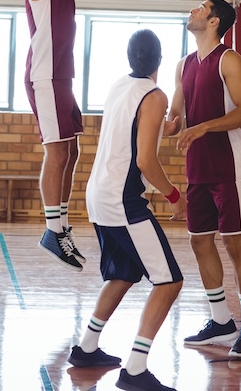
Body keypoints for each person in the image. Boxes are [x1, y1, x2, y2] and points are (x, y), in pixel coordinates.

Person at [72, 29, 185, 391]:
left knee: (123, 272)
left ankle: (87, 348)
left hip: (98, 193)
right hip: (123, 200)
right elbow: (145, 159)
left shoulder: (121, 85)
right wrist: (174, 196)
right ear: (160, 61)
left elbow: (130, 133)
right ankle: (135, 369)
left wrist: (162, 127)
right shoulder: (155, 95)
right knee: (169, 281)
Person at [164, 0, 241, 358]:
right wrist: (162, 123)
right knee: (199, 242)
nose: (193, 10)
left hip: (228, 164)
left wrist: (202, 127)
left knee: (234, 244)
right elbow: (176, 117)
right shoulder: (183, 65)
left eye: (201, 7)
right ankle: (221, 321)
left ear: (216, 20)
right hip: (197, 167)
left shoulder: (229, 59)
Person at [21, 0, 105, 269]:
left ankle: (61, 225)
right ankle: (53, 231)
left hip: (62, 78)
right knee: (56, 151)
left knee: (71, 150)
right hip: (44, 77)